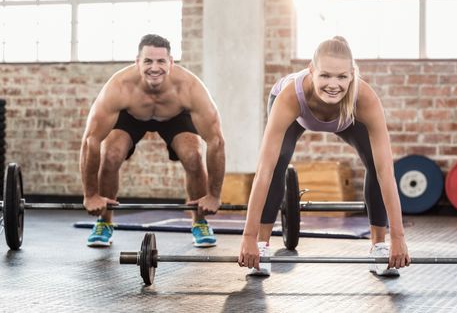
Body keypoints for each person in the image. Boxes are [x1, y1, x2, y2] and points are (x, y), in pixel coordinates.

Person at [238, 36, 410, 276]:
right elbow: (263, 172)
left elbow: (385, 172)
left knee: (375, 163)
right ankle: (262, 245)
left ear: (352, 74)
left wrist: (398, 238)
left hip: (345, 118)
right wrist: (248, 237)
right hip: (297, 113)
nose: (333, 84)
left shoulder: (365, 99)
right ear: (311, 70)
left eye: (342, 77)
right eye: (325, 75)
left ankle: (378, 247)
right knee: (276, 164)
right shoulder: (290, 96)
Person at [80, 34, 225, 248]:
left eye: (161, 61)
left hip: (175, 116)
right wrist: (90, 194)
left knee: (193, 156)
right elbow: (91, 141)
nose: (154, 67)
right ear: (137, 62)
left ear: (171, 63)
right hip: (131, 115)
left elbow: (216, 142)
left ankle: (199, 222)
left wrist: (214, 195)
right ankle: (105, 222)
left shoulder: (190, 88)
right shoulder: (119, 87)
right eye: (148, 61)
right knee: (110, 156)